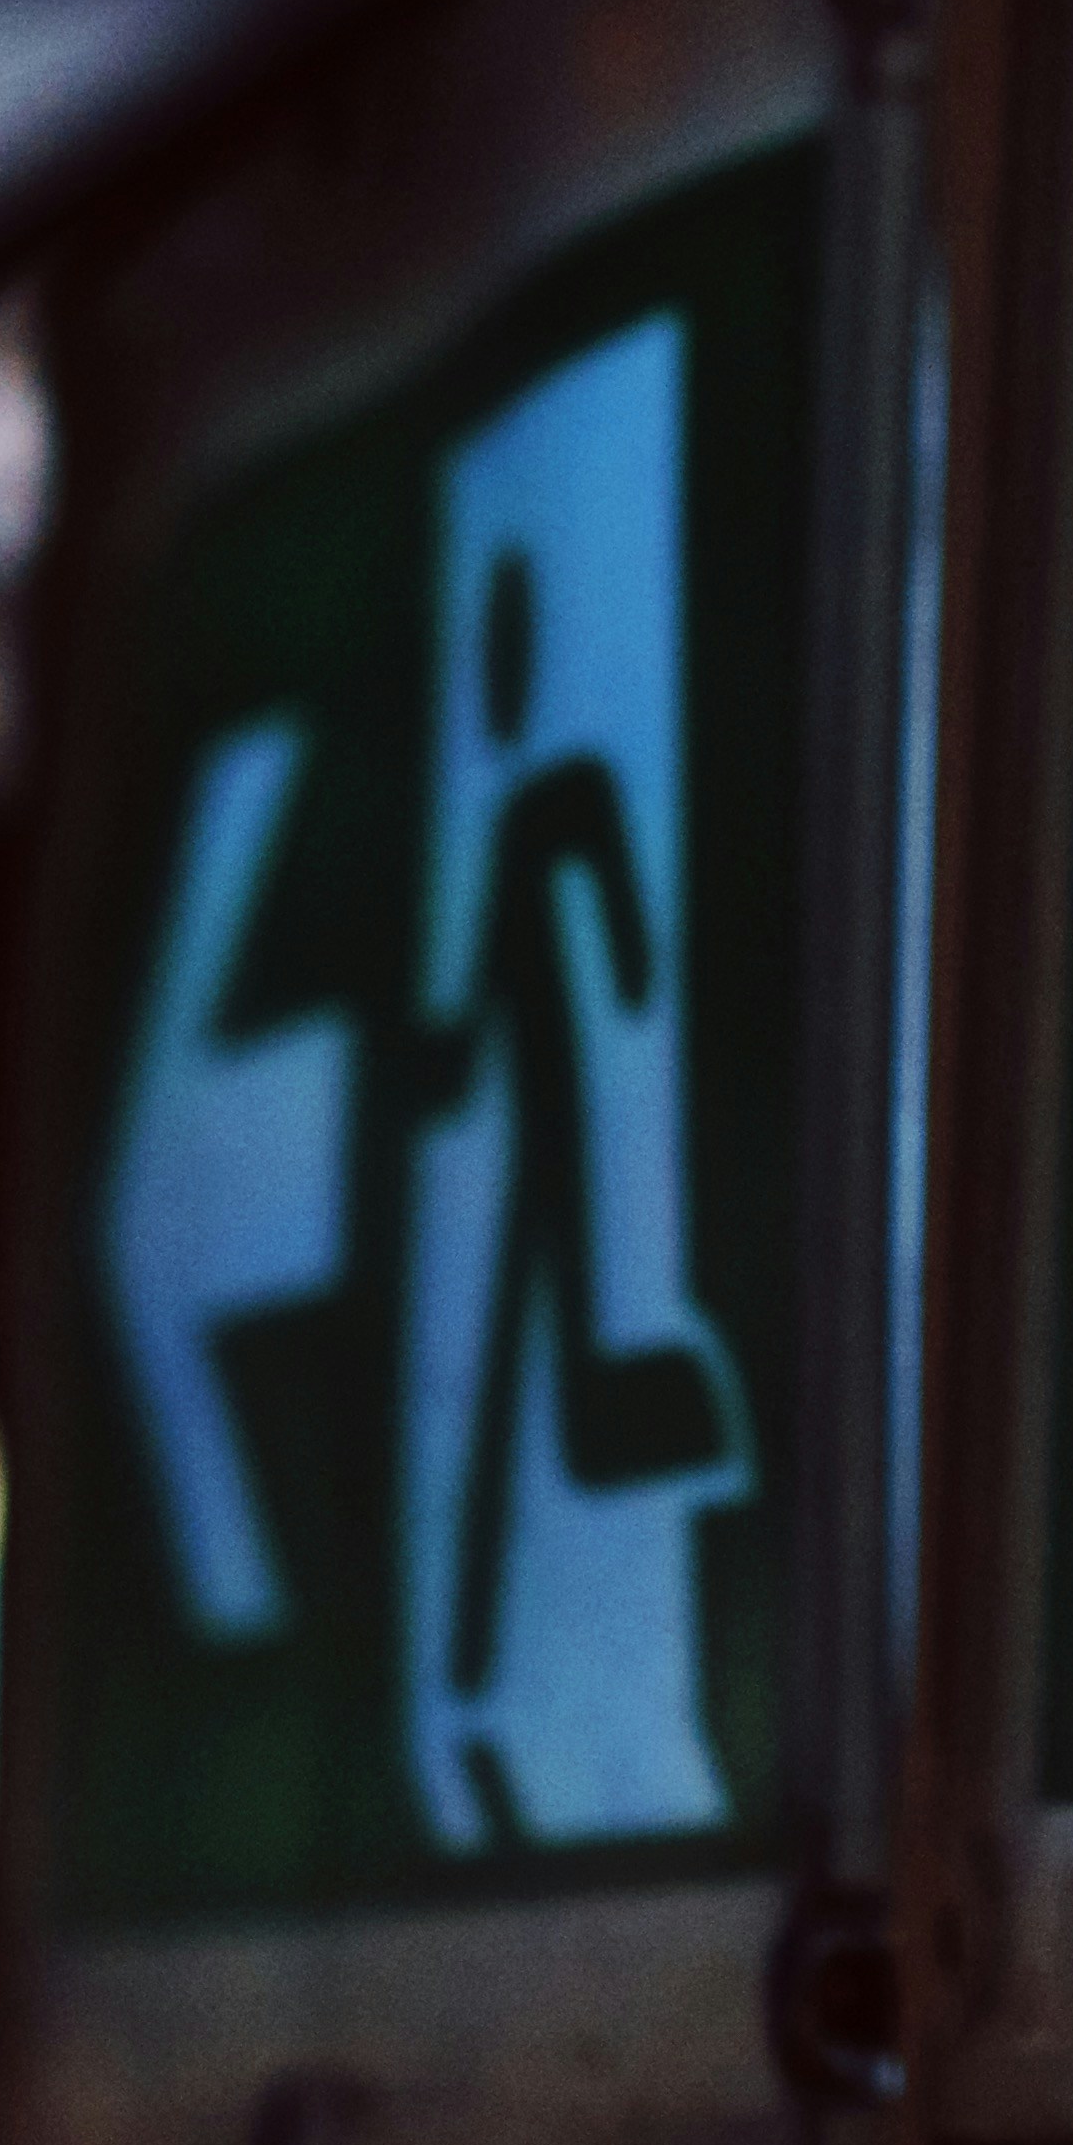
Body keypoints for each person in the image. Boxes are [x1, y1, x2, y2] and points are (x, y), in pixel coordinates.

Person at [440, 542, 731, 1694]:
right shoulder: (533, 815)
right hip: (534, 1137)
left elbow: (629, 947)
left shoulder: (557, 805)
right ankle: (486, 1647)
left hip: (563, 1131)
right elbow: (598, 963)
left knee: (526, 1363)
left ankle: (499, 1642)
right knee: (517, 1364)